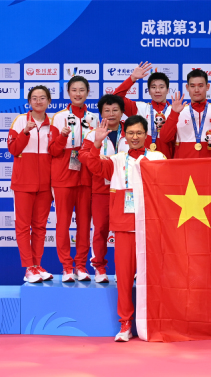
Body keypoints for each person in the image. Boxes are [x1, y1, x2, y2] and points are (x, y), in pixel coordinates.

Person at [84, 115, 165, 342]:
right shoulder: (116, 160)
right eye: (130, 133)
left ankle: (154, 321)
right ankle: (126, 323)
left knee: (153, 278)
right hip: (124, 227)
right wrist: (96, 143)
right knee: (125, 278)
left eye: (139, 133)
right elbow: (94, 166)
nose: (135, 137)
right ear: (125, 136)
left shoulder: (157, 157)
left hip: (151, 227)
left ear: (146, 135)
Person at [49, 76, 98, 282]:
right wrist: (62, 137)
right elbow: (53, 150)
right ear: (68, 92)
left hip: (86, 176)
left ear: (87, 92)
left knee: (85, 224)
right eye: (74, 90)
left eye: (82, 90)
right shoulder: (59, 117)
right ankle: (67, 267)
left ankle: (81, 266)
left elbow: (98, 148)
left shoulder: (93, 118)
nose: (78, 94)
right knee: (63, 223)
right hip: (63, 176)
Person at [78, 94, 128, 284]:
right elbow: (82, 156)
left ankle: (127, 268)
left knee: (127, 231)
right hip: (101, 189)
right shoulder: (93, 133)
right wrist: (97, 153)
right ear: (101, 113)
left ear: (122, 112)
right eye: (107, 110)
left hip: (126, 190)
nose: (111, 114)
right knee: (100, 230)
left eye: (115, 110)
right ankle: (99, 267)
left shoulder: (131, 131)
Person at [7, 86, 55, 284]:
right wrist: (25, 132)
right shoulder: (20, 120)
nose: (38, 101)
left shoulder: (54, 123)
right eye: (34, 98)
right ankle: (28, 267)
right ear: (29, 102)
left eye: (42, 98)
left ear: (49, 101)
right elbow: (13, 149)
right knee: (23, 226)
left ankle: (37, 265)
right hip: (23, 183)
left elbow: (57, 152)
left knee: (40, 227)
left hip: (46, 185)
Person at [158, 68, 211, 158]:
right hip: (183, 165)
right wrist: (174, 114)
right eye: (192, 86)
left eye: (200, 86)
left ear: (207, 87)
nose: (196, 90)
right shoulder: (177, 111)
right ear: (187, 87)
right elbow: (164, 138)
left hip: (209, 165)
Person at [112, 62, 175, 159]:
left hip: (167, 161)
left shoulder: (175, 111)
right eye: (153, 87)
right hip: (142, 162)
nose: (157, 90)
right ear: (148, 91)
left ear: (167, 90)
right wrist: (132, 78)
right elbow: (116, 98)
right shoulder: (140, 108)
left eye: (161, 87)